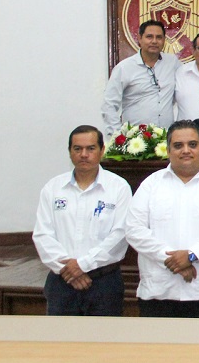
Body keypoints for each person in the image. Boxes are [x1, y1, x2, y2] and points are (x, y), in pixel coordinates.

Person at [125, 120, 199, 318]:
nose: (186, 150)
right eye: (178, 145)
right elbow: (134, 230)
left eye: (192, 144)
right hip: (159, 290)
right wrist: (171, 260)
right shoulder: (151, 184)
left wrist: (192, 255)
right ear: (168, 151)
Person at [32, 125, 132, 316]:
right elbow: (42, 235)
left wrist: (83, 265)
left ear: (102, 150)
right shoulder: (53, 188)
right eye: (77, 149)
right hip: (62, 281)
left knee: (104, 336)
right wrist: (68, 270)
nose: (84, 154)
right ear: (70, 152)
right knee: (58, 335)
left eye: (90, 148)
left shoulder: (118, 188)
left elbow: (120, 235)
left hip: (104, 282)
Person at [102, 19, 180, 133]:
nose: (154, 41)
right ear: (139, 38)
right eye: (149, 37)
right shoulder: (124, 68)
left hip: (166, 136)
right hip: (135, 139)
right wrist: (117, 135)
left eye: (159, 37)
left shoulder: (173, 63)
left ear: (164, 40)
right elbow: (109, 104)